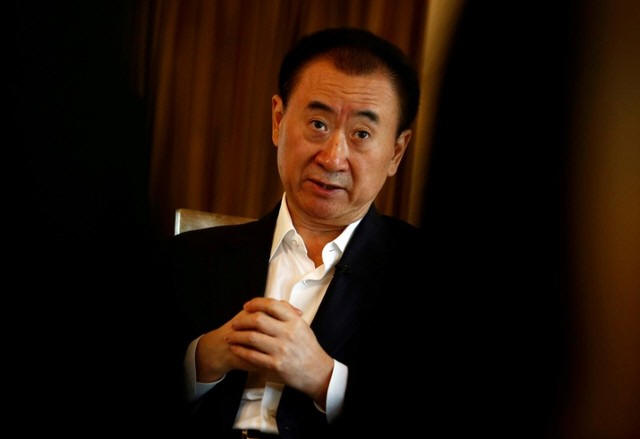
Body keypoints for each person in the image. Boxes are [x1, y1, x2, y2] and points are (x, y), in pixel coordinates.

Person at [164, 28, 448, 439]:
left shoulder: (429, 275)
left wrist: (325, 379)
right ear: (278, 121)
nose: (333, 157)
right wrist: (200, 361)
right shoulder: (183, 258)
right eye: (318, 124)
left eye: (361, 134)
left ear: (396, 152)